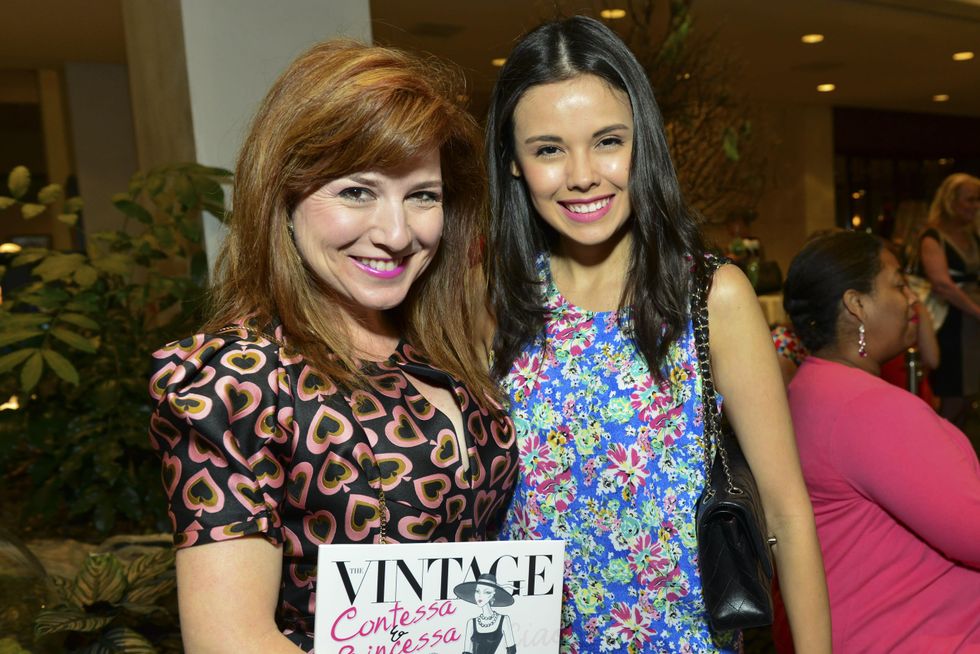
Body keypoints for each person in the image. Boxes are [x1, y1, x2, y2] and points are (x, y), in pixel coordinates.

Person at [147, 40, 518, 653]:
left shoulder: (435, 344)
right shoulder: (238, 380)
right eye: (356, 192)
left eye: (422, 195)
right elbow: (230, 642)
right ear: (284, 196)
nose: (397, 233)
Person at [484, 16, 830, 653]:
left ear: (643, 141)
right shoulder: (493, 303)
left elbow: (786, 511)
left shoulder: (711, 296)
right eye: (549, 150)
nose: (582, 174)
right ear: (513, 161)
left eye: (608, 141)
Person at [782, 230, 980, 652]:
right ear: (856, 304)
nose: (913, 300)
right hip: (924, 636)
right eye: (899, 284)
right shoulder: (869, 407)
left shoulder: (810, 386)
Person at [919, 173, 980, 425]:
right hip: (951, 325)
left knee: (967, 395)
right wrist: (976, 311)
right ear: (950, 201)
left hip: (972, 323)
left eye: (978, 200)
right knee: (952, 394)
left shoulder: (973, 235)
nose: (975, 206)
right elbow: (943, 285)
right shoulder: (933, 238)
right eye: (970, 199)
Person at [454, 574, 517, 654]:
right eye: (477, 591)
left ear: (493, 594)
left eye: (487, 592)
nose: (480, 596)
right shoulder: (471, 623)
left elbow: (512, 651)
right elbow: (466, 652)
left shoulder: (504, 620)